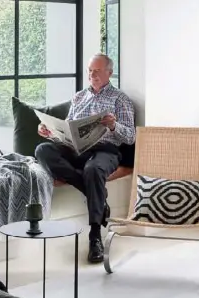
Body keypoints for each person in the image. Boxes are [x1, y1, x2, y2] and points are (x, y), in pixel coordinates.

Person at [35, 54, 135, 263]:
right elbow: (67, 128)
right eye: (90, 70)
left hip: (106, 150)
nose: (92, 74)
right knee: (43, 150)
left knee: (94, 171)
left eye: (97, 71)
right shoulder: (79, 97)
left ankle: (95, 236)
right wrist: (50, 131)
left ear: (109, 73)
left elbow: (131, 136)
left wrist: (113, 125)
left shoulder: (120, 99)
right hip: (76, 150)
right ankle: (93, 192)